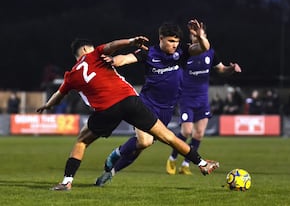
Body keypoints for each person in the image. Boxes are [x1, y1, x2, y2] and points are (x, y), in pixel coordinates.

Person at [36, 35, 219, 191]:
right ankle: (202, 164)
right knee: (168, 136)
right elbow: (113, 45)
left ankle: (67, 182)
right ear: (86, 48)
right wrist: (131, 40)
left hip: (106, 109)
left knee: (82, 141)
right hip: (130, 100)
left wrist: (47, 106)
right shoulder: (96, 53)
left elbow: (58, 95)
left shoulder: (71, 75)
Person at [96, 19, 217, 186]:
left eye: (177, 41)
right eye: (171, 41)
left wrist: (200, 35)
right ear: (161, 38)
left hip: (166, 111)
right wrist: (113, 60)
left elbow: (204, 47)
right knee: (144, 141)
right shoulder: (149, 53)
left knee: (140, 147)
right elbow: (126, 58)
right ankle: (115, 154)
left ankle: (113, 170)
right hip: (146, 105)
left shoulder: (181, 54)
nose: (175, 45)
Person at [166, 32, 241, 175]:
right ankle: (172, 158)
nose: (197, 36)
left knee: (199, 134)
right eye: (194, 34)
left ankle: (186, 165)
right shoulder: (185, 53)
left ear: (205, 35)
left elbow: (222, 70)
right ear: (190, 37)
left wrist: (231, 69)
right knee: (186, 131)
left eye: (200, 34)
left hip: (202, 100)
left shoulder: (211, 53)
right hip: (186, 98)